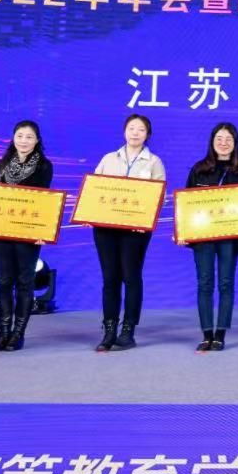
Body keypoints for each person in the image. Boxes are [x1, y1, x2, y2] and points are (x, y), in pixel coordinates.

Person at [0, 120, 53, 353]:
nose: (24, 141)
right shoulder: (1, 165)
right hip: (0, 231)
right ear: (13, 138)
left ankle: (18, 335)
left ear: (37, 140)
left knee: (24, 283)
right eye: (20, 136)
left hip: (28, 232)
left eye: (29, 137)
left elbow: (44, 201)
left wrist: (42, 231)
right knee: (3, 282)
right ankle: (3, 334)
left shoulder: (44, 166)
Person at [91, 113, 165, 352]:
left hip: (136, 230)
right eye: (131, 128)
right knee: (110, 278)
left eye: (141, 129)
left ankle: (128, 330)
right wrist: (89, 213)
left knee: (131, 277)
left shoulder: (154, 162)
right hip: (106, 228)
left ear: (147, 135)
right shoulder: (109, 158)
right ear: (124, 131)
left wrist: (145, 219)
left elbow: (159, 198)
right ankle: (109, 329)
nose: (135, 133)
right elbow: (94, 191)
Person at [184, 122, 238, 353]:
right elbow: (186, 204)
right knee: (204, 283)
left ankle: (220, 334)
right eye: (219, 139)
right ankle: (206, 335)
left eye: (228, 139)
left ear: (235, 144)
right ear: (212, 142)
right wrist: (183, 230)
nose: (224, 143)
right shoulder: (199, 169)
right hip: (202, 236)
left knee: (226, 283)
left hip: (229, 237)